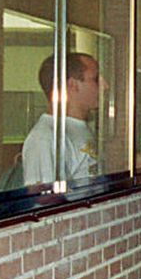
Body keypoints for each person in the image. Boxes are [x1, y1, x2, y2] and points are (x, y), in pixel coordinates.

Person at [22, 51, 100, 186]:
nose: (104, 86)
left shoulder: (81, 128)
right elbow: (45, 199)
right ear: (72, 85)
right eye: (95, 79)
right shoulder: (45, 138)